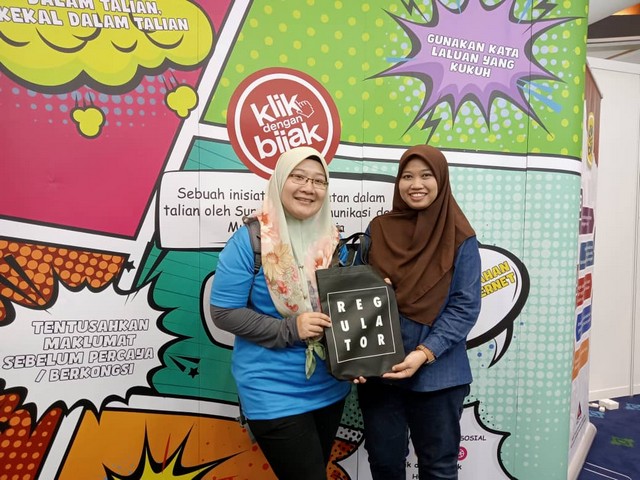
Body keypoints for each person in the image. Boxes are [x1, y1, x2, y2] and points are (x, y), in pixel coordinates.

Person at [209, 146, 350, 480]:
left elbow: (341, 311)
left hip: (329, 386)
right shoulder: (250, 240)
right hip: (272, 389)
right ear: (279, 181)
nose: (308, 188)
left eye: (318, 181)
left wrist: (359, 355)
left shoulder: (333, 242)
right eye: (298, 177)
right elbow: (224, 312)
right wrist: (291, 328)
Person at [355, 144, 481, 480]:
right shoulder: (378, 229)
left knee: (438, 468)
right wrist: (354, 357)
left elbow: (465, 306)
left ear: (441, 180)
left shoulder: (461, 237)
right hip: (381, 372)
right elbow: (355, 296)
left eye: (426, 175)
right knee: (384, 464)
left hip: (439, 374)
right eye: (407, 176)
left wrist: (424, 353)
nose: (416, 184)